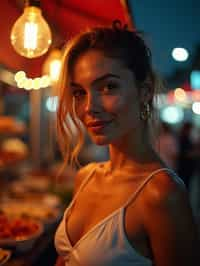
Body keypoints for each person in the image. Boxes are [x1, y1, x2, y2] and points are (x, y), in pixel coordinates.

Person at [54, 21, 199, 266]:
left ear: (144, 92)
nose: (89, 107)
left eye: (109, 87)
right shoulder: (86, 177)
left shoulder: (161, 193)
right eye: (80, 92)